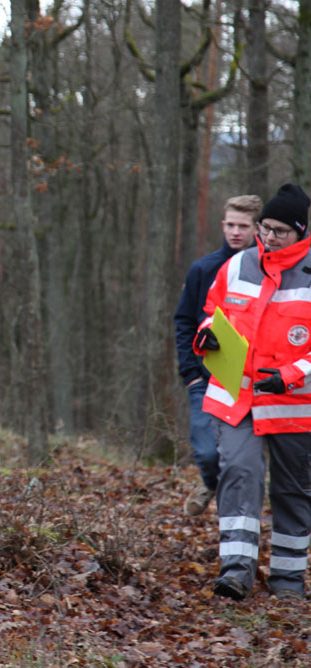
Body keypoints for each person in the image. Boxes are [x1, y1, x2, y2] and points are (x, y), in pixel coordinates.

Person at [194, 183, 311, 601]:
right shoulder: (238, 265)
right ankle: (236, 571)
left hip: (293, 404)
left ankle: (287, 579)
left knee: (292, 490)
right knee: (239, 474)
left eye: (281, 230)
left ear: (301, 232)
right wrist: (205, 337)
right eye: (266, 228)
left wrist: (290, 375)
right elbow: (212, 314)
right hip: (236, 398)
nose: (270, 237)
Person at [174, 195, 261, 517]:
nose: (235, 232)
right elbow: (184, 320)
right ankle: (209, 483)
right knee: (209, 454)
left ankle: (238, 523)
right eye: (230, 225)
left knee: (243, 462)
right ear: (222, 224)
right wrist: (191, 373)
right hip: (206, 378)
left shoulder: (267, 271)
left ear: (257, 228)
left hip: (254, 383)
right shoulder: (204, 268)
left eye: (243, 226)